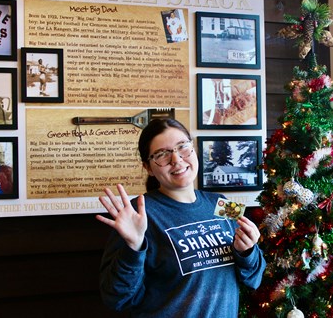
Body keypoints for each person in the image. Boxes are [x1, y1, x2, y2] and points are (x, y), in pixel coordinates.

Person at [96, 118, 265, 317]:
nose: (176, 159)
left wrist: (247, 251)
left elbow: (254, 278)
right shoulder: (137, 213)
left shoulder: (221, 203)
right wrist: (133, 248)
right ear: (148, 167)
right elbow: (116, 297)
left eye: (182, 147)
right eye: (162, 154)